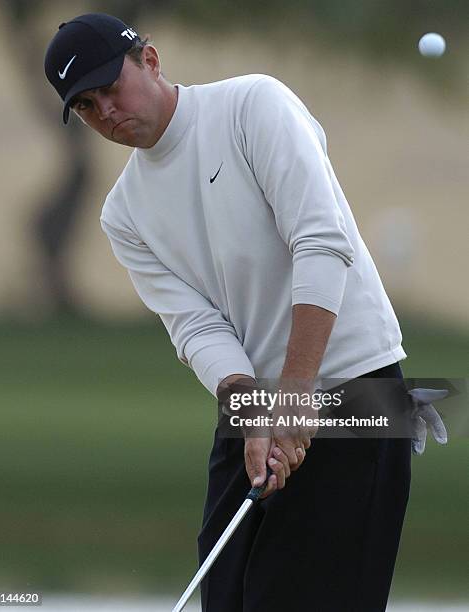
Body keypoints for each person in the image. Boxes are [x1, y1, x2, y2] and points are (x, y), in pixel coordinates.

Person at [44, 13, 448, 611]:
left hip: (352, 388)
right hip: (256, 408)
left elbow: (321, 242)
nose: (105, 111)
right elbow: (197, 327)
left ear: (150, 61)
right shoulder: (123, 214)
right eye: (85, 106)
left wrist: (295, 391)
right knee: (228, 595)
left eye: (110, 87)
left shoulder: (252, 106)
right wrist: (255, 406)